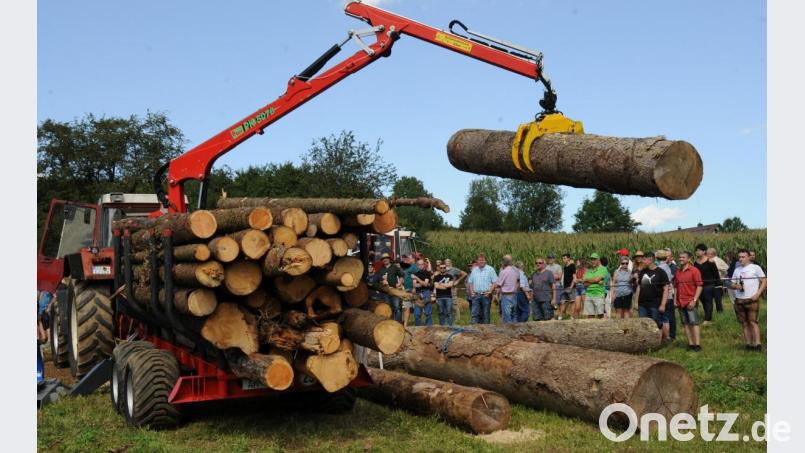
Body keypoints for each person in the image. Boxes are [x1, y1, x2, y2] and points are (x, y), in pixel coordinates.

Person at [731, 249, 767, 351]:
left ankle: (757, 344)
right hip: (739, 300)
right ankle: (748, 344)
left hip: (752, 299)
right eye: (739, 257)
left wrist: (758, 294)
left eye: (743, 257)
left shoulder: (756, 268)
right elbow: (732, 283)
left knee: (753, 322)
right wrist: (736, 286)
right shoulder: (737, 270)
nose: (740, 259)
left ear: (748, 257)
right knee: (744, 323)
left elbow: (764, 280)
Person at [673, 250, 703, 351]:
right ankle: (691, 344)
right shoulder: (678, 272)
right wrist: (675, 299)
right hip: (680, 301)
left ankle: (697, 344)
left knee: (694, 322)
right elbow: (676, 287)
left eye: (683, 257)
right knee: (685, 323)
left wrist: (694, 300)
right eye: (680, 257)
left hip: (690, 301)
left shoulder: (694, 271)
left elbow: (699, 286)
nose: (681, 259)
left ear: (689, 259)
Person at [635, 251, 670, 329]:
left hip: (655, 304)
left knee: (657, 325)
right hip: (642, 304)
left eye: (644, 259)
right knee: (643, 325)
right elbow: (639, 287)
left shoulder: (661, 272)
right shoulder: (643, 272)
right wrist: (636, 302)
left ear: (650, 260)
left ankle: (658, 341)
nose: (642, 261)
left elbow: (666, 289)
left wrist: (663, 304)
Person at [693, 243, 721, 324]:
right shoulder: (696, 262)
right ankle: (708, 316)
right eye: (696, 250)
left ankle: (707, 319)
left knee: (708, 301)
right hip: (700, 285)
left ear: (704, 251)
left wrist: (718, 284)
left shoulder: (710, 261)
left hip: (710, 284)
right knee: (703, 301)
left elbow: (716, 273)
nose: (697, 252)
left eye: (699, 250)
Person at [466, 254, 497, 324]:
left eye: (483, 260)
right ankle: (475, 330)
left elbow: (495, 282)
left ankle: (485, 331)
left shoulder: (490, 269)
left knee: (485, 314)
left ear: (485, 261)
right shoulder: (474, 270)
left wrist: (490, 291)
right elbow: (470, 282)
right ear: (477, 261)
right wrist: (472, 292)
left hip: (486, 295)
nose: (481, 261)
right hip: (476, 295)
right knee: (475, 314)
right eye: (480, 260)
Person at [492, 255, 520, 323]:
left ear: (503, 262)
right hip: (514, 295)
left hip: (506, 296)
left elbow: (498, 284)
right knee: (514, 315)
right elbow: (518, 281)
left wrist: (493, 293)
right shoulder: (516, 270)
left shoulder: (503, 272)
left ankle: (508, 332)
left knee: (507, 316)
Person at [655, 249, 675, 342]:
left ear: (656, 258)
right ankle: (668, 336)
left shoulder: (660, 268)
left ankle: (665, 337)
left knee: (664, 318)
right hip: (669, 295)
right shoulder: (667, 266)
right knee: (667, 317)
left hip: (664, 296)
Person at [378, 253, 404, 322]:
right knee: (388, 309)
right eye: (383, 259)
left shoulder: (395, 267)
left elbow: (401, 275)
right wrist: (382, 281)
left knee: (397, 308)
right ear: (382, 260)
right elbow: (379, 280)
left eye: (386, 258)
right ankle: (390, 324)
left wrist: (399, 283)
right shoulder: (381, 269)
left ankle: (398, 324)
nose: (385, 260)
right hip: (386, 292)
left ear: (389, 259)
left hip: (394, 291)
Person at [582, 253, 608, 319]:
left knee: (600, 315)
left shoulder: (603, 269)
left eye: (594, 259)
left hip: (599, 294)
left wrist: (587, 279)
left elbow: (597, 279)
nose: (593, 261)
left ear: (598, 260)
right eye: (592, 259)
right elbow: (584, 284)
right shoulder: (588, 271)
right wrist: (595, 281)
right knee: (590, 316)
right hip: (589, 294)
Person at [411, 258, 434, 326]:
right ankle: (418, 328)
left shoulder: (427, 273)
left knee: (428, 312)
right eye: (419, 265)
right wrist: (422, 283)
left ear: (424, 265)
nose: (420, 266)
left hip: (426, 292)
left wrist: (418, 279)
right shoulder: (415, 273)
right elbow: (414, 285)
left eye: (422, 264)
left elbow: (426, 284)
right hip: (418, 294)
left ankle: (428, 328)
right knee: (417, 313)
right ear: (417, 265)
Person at [400, 254, 418, 326]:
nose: (408, 259)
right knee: (407, 308)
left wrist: (414, 288)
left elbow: (416, 277)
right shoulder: (408, 266)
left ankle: (417, 323)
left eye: (409, 258)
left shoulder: (415, 266)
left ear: (413, 259)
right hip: (406, 290)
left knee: (416, 307)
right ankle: (405, 324)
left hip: (412, 290)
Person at [557, 254, 576, 320]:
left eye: (565, 258)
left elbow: (574, 277)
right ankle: (560, 316)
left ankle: (572, 316)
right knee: (563, 301)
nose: (563, 259)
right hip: (564, 287)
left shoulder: (572, 266)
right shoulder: (565, 267)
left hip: (571, 287)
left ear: (568, 258)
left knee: (572, 301)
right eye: (562, 258)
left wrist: (571, 286)